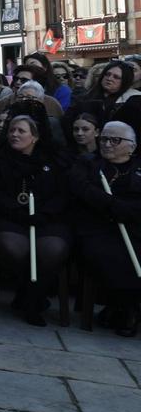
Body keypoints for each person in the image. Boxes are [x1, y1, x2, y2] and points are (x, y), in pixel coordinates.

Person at [0, 102, 71, 326]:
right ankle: (33, 298)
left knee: (52, 249)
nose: (14, 135)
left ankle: (30, 297)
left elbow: (63, 193)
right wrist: (14, 210)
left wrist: (44, 213)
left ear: (35, 137)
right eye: (11, 130)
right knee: (13, 248)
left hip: (46, 219)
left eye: (21, 131)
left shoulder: (53, 160)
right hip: (8, 217)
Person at [70, 120, 141, 336]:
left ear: (132, 146)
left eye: (115, 140)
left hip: (133, 225)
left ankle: (123, 307)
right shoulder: (88, 162)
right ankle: (126, 309)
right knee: (108, 254)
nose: (108, 144)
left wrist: (127, 210)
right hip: (97, 226)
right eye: (104, 139)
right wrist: (112, 205)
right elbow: (81, 187)